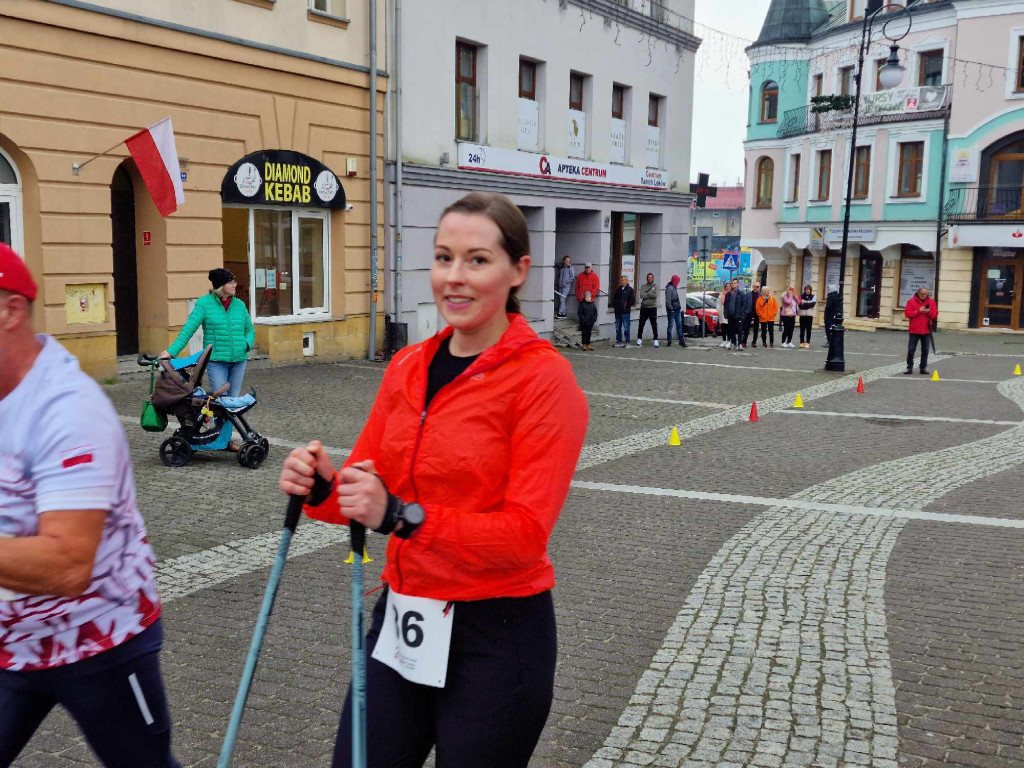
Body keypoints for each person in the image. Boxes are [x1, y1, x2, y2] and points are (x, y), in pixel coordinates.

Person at [278, 192, 588, 768]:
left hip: (495, 634)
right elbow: (367, 486)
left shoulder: (544, 381)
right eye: (444, 257)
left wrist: (401, 516)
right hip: (405, 618)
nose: (455, 277)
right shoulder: (407, 365)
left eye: (477, 260)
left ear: (518, 270)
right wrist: (322, 487)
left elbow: (522, 536)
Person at [0, 245, 180, 768]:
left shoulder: (69, 409)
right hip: (13, 643)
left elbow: (69, 563)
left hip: (101, 640)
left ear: (10, 310)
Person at [161, 268, 255, 450]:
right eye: (231, 282)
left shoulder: (240, 305)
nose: (235, 285)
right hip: (217, 361)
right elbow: (188, 329)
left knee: (232, 402)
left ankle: (226, 441)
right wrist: (171, 352)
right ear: (221, 286)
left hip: (239, 360)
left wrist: (246, 344)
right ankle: (218, 438)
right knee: (222, 401)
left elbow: (250, 330)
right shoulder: (204, 304)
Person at [904, 286, 938, 375]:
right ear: (918, 293)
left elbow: (934, 315)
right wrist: (918, 311)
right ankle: (909, 367)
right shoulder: (911, 301)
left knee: (925, 350)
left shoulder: (931, 302)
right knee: (911, 350)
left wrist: (928, 312)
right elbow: (907, 314)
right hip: (914, 330)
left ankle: (923, 368)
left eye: (925, 294)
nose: (924, 295)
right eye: (922, 294)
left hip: (926, 330)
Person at [636, 273, 659, 348]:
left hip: (652, 307)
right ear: (647, 278)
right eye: (648, 277)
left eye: (651, 277)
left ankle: (655, 340)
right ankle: (639, 339)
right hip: (644, 307)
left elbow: (655, 295)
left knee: (654, 324)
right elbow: (642, 295)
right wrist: (649, 294)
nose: (650, 278)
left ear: (653, 278)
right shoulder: (643, 286)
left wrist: (647, 293)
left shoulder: (655, 286)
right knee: (641, 324)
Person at [613, 275, 635, 348]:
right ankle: (619, 341)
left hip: (625, 312)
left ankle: (627, 341)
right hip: (618, 312)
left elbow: (632, 300)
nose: (622, 281)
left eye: (623, 280)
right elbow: (615, 299)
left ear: (627, 281)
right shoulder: (618, 289)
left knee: (626, 327)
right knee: (618, 327)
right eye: (621, 280)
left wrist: (626, 305)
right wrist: (615, 306)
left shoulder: (630, 290)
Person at [664, 275, 686, 348]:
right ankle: (669, 342)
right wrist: (671, 309)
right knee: (670, 326)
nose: (678, 282)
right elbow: (668, 301)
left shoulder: (674, 286)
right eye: (677, 281)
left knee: (679, 325)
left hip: (677, 309)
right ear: (674, 280)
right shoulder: (670, 288)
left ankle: (681, 341)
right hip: (672, 310)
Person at [797, 284, 817, 349]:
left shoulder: (813, 296)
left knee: (808, 330)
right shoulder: (801, 296)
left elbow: (812, 304)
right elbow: (800, 305)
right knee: (802, 329)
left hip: (809, 315)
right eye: (806, 290)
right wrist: (807, 305)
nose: (808, 291)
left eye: (809, 290)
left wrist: (805, 304)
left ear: (810, 290)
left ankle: (807, 342)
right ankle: (801, 342)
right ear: (805, 290)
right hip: (802, 315)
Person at [823, 284, 841, 349]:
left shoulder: (831, 296)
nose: (828, 290)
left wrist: (825, 314)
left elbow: (828, 306)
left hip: (829, 315)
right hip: (834, 315)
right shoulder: (837, 295)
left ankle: (829, 341)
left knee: (828, 328)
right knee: (833, 328)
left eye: (828, 289)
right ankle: (833, 341)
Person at [745, 281, 762, 348]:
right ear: (754, 287)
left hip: (757, 313)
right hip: (749, 312)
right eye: (757, 287)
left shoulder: (760, 295)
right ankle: (744, 342)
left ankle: (754, 342)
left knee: (756, 328)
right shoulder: (748, 294)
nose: (758, 288)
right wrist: (745, 311)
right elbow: (745, 303)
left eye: (759, 287)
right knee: (746, 328)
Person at [716, 282, 732, 348]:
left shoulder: (732, 294)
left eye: (729, 286)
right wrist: (718, 312)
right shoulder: (721, 295)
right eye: (727, 286)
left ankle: (729, 340)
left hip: (729, 314)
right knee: (723, 328)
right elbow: (718, 304)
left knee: (729, 328)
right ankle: (724, 340)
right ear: (725, 287)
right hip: (722, 313)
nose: (728, 287)